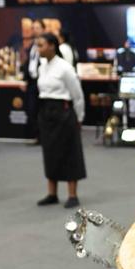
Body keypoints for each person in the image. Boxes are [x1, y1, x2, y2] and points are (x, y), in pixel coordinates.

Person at [33, 33, 87, 208]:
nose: (38, 49)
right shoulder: (42, 66)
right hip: (46, 111)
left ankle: (72, 195)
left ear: (52, 46)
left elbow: (77, 95)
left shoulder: (65, 68)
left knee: (69, 151)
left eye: (41, 45)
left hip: (63, 112)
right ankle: (52, 193)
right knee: (50, 151)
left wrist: (79, 117)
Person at [21, 19, 46, 143]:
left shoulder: (47, 44)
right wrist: (25, 79)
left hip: (42, 81)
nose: (35, 30)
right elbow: (29, 63)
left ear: (43, 29)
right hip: (32, 81)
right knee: (32, 109)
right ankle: (37, 135)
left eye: (37, 28)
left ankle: (43, 136)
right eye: (33, 28)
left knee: (42, 109)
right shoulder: (31, 45)